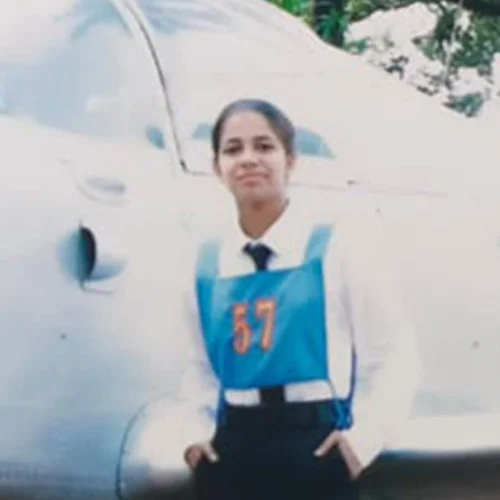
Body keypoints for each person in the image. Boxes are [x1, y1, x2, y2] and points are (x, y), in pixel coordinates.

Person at [179, 98, 421, 500]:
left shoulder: (337, 249)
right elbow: (199, 369)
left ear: (290, 160)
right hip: (233, 451)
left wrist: (361, 441)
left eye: (264, 146)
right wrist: (194, 437)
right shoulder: (206, 266)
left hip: (315, 446)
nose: (248, 159)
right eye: (233, 149)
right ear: (217, 167)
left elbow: (391, 355)